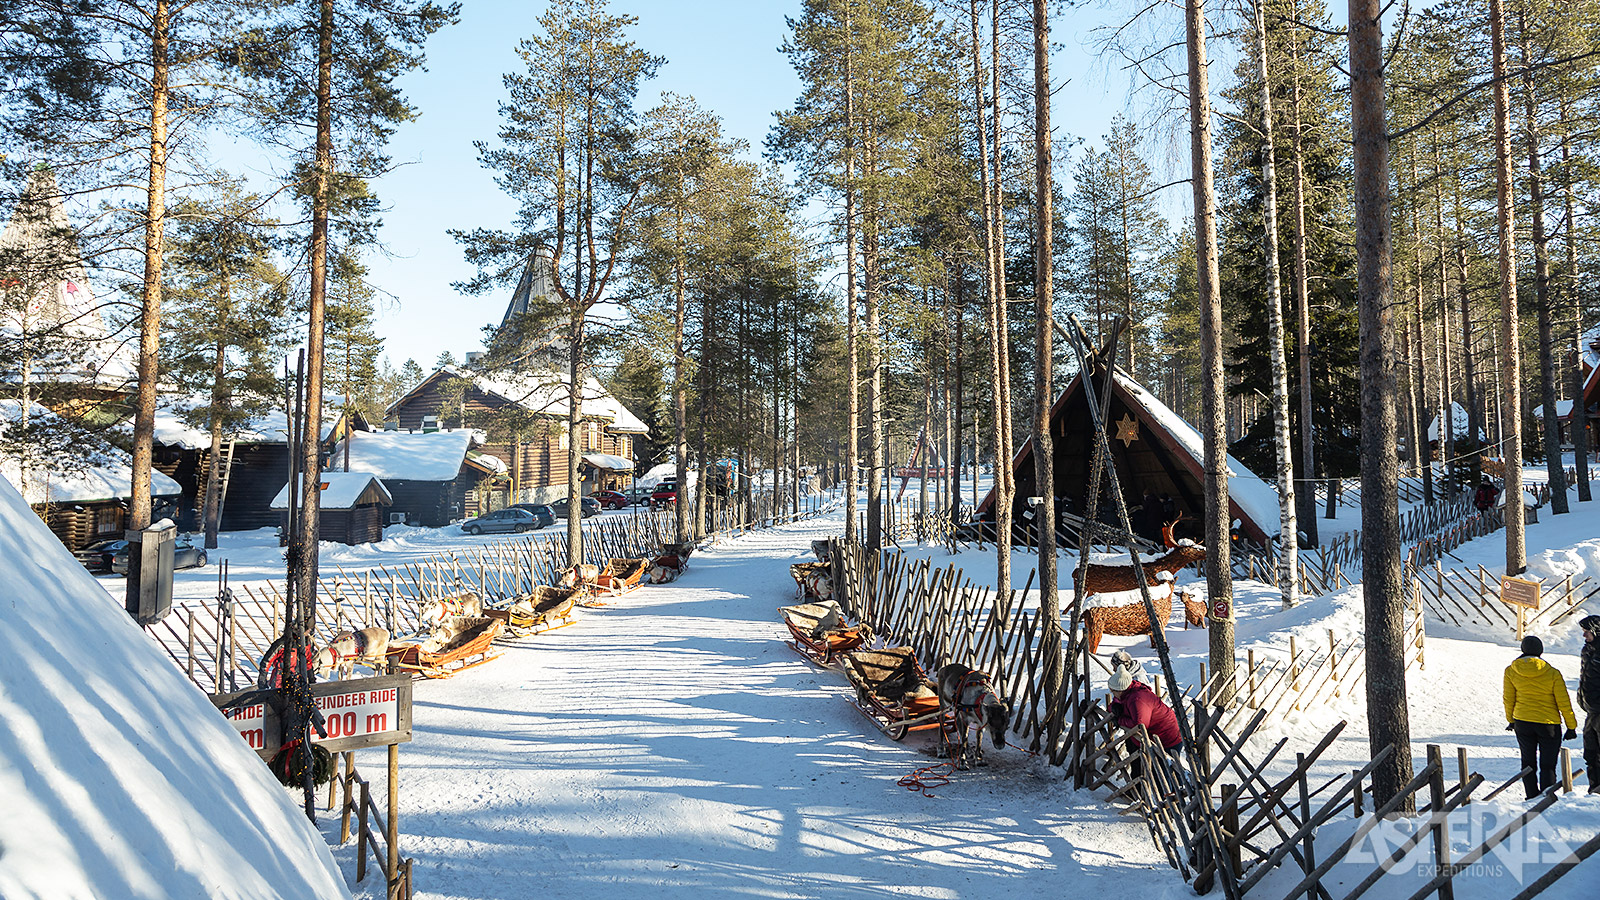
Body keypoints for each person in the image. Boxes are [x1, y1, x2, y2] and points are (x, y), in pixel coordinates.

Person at [1503, 635, 1579, 799]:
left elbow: (1509, 699)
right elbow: (1564, 703)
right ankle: (1547, 797)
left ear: (1522, 650)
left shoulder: (1511, 671)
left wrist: (1511, 720)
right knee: (1548, 764)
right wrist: (1571, 726)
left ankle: (1531, 796)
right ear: (1541, 651)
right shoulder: (1552, 673)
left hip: (1522, 721)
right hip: (1548, 724)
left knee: (1527, 762)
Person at [1109, 662, 1182, 779]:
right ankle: (1139, 792)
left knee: (1164, 774)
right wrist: (1113, 707)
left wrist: (1120, 720)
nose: (1113, 694)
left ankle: (1171, 795)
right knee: (1143, 768)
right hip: (1151, 737)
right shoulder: (1127, 691)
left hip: (1166, 738)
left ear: (1120, 690)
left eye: (1113, 692)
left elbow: (1140, 724)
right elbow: (1118, 704)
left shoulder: (1138, 699)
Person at [1579, 616, 1600, 795]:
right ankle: (1594, 790)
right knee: (1590, 753)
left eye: (1587, 631)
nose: (1584, 634)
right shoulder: (1587, 650)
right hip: (1591, 709)